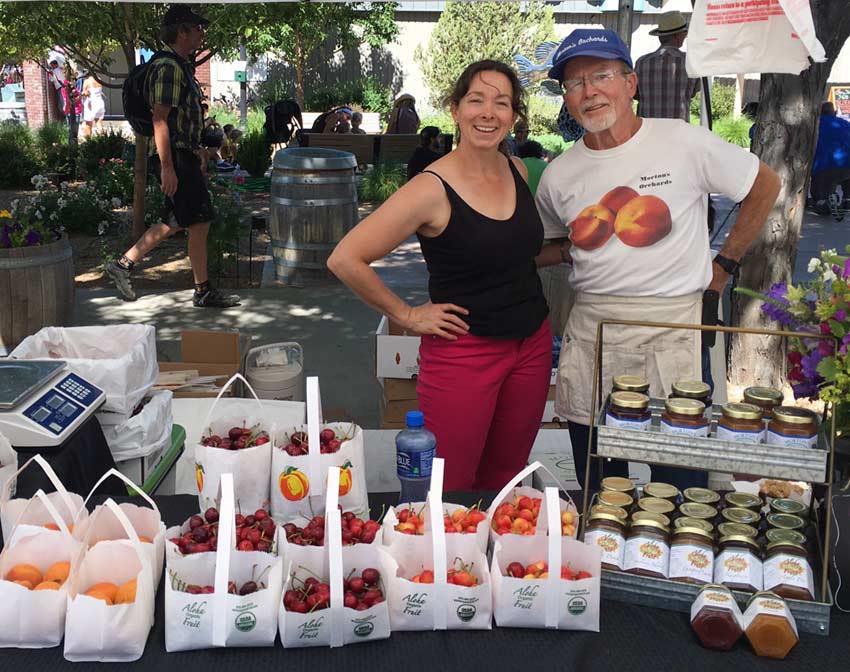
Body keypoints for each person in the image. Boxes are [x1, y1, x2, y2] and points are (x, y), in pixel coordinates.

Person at [535, 28, 780, 491]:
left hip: (675, 325)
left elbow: (763, 184)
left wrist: (723, 268)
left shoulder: (681, 141)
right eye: (574, 84)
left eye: (601, 75)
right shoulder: (558, 175)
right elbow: (545, 247)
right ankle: (603, 559)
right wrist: (571, 248)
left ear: (630, 83)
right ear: (566, 99)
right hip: (594, 329)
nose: (588, 92)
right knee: (599, 478)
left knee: (680, 478)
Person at [328, 60, 551, 491]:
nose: (488, 112)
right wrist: (408, 316)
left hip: (531, 346)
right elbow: (346, 258)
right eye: (476, 100)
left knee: (506, 480)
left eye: (501, 103)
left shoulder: (518, 171)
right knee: (451, 488)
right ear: (455, 109)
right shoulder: (431, 189)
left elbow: (509, 255)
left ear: (513, 116)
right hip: (464, 353)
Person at [104, 4, 239, 308]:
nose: (202, 34)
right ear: (182, 32)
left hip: (182, 155)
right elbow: (160, 120)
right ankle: (202, 290)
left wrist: (199, 152)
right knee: (200, 219)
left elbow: (179, 121)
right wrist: (168, 168)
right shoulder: (167, 68)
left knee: (178, 220)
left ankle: (124, 264)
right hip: (173, 157)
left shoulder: (179, 67)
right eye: (198, 29)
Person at [634, 11, 699, 122]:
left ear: (660, 37)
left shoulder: (641, 63)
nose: (686, 35)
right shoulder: (690, 62)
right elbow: (692, 92)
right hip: (678, 132)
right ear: (677, 36)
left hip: (648, 132)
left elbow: (635, 94)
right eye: (685, 32)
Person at [810, 101, 850, 214]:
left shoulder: (816, 124)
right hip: (848, 164)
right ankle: (847, 200)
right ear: (834, 113)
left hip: (826, 165)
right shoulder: (845, 123)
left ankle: (823, 202)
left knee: (821, 187)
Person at [81, 73, 106, 138]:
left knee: (88, 124)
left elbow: (84, 92)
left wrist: (83, 93)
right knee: (99, 122)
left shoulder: (87, 81)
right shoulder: (99, 79)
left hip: (91, 103)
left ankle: (88, 142)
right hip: (100, 102)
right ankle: (102, 139)